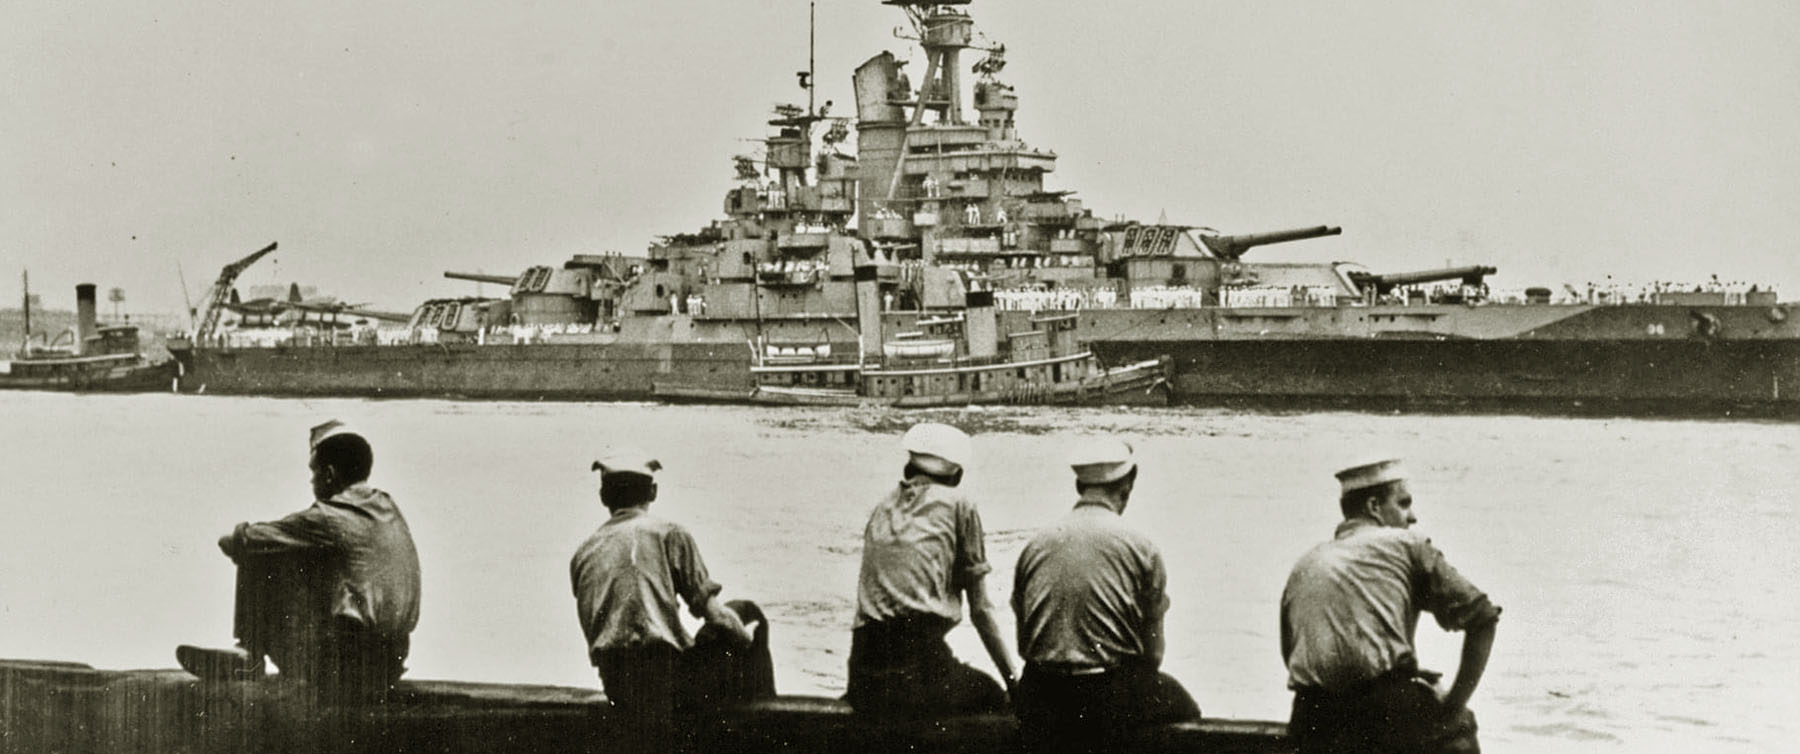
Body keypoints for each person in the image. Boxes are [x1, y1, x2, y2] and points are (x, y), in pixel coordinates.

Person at [177, 420, 422, 704]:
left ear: (329, 475)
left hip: (347, 665)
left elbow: (237, 541)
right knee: (307, 551)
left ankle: (248, 653)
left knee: (264, 547)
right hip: (392, 661)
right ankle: (248, 653)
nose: (311, 481)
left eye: (314, 472)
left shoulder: (328, 517)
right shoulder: (388, 505)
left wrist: (240, 540)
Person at [1280, 458, 1502, 754]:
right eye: (1404, 503)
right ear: (1374, 506)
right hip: (1385, 718)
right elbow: (1483, 618)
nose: (1412, 517)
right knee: (1461, 726)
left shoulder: (1306, 564)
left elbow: (1292, 652)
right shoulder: (1406, 545)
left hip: (1312, 718)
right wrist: (1452, 707)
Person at [570, 448, 773, 747]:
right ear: (652, 492)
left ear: (604, 497)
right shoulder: (669, 534)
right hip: (668, 680)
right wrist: (749, 644)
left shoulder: (584, 553)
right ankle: (768, 725)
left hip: (614, 682)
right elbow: (716, 616)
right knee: (745, 613)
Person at [1011, 438, 1200, 752]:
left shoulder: (1035, 545)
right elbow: (1153, 654)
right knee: (1185, 708)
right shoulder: (1141, 548)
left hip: (1040, 693)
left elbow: (1024, 639)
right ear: (1128, 484)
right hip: (1104, 693)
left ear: (1079, 485)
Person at [846, 422, 1016, 717]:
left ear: (908, 469)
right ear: (956, 476)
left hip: (864, 674)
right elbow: (981, 611)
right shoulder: (960, 504)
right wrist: (1014, 682)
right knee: (991, 696)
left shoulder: (882, 507)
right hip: (917, 667)